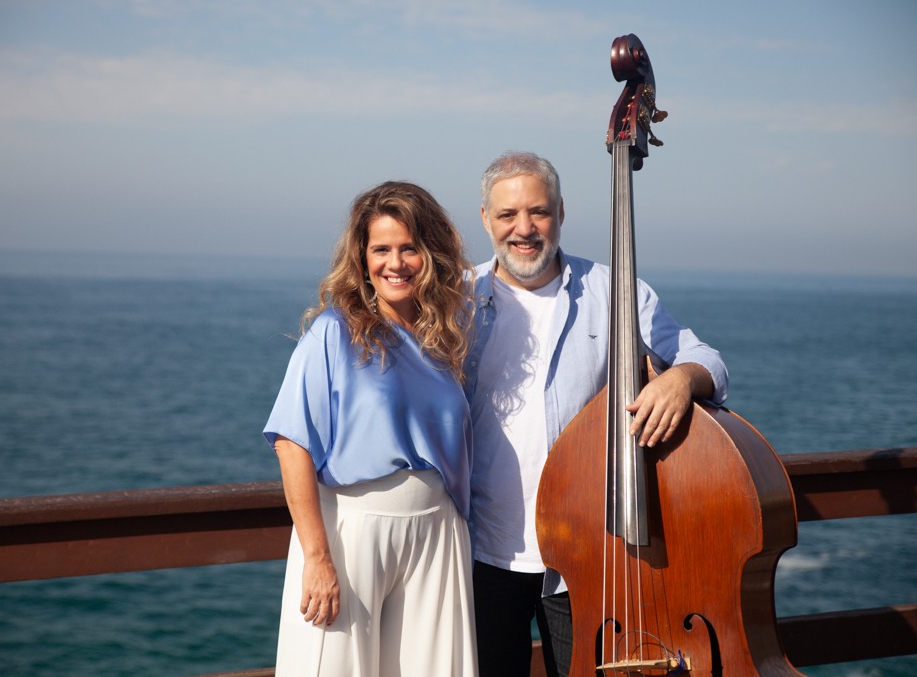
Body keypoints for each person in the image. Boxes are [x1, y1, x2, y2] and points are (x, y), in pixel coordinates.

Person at [464, 152, 729, 677]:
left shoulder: (614, 291)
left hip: (586, 559)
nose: (524, 229)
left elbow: (709, 362)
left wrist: (681, 380)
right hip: (481, 553)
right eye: (508, 215)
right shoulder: (457, 299)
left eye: (538, 212)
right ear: (485, 220)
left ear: (561, 212)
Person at [264, 181, 479, 677]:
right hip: (354, 532)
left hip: (438, 533)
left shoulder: (444, 339)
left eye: (410, 249)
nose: (396, 263)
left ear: (431, 255)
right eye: (381, 249)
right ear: (362, 259)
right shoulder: (333, 334)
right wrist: (316, 558)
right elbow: (291, 443)